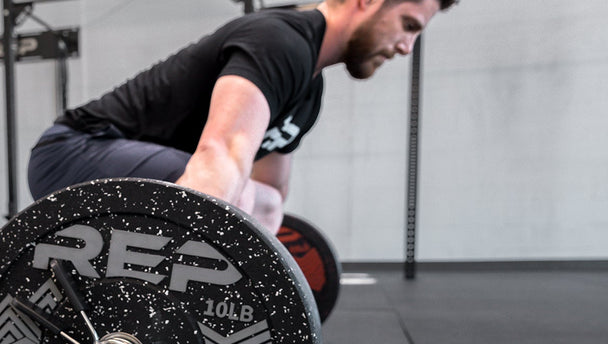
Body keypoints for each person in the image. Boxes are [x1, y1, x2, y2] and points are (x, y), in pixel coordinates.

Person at [27, 0, 457, 233]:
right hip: (75, 151)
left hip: (139, 169)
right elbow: (221, 156)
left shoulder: (309, 89)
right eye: (408, 24)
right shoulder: (279, 41)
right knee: (234, 189)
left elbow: (271, 191)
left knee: (261, 199)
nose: (406, 47)